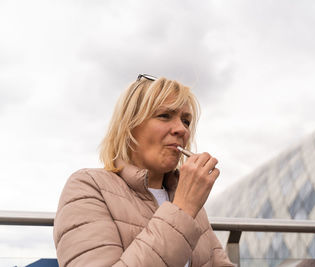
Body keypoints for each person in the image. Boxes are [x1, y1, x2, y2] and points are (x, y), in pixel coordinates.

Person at [53, 74, 234, 267]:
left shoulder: (186, 197)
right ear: (129, 126)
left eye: (186, 121)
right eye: (165, 115)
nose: (182, 130)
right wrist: (183, 210)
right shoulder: (87, 187)